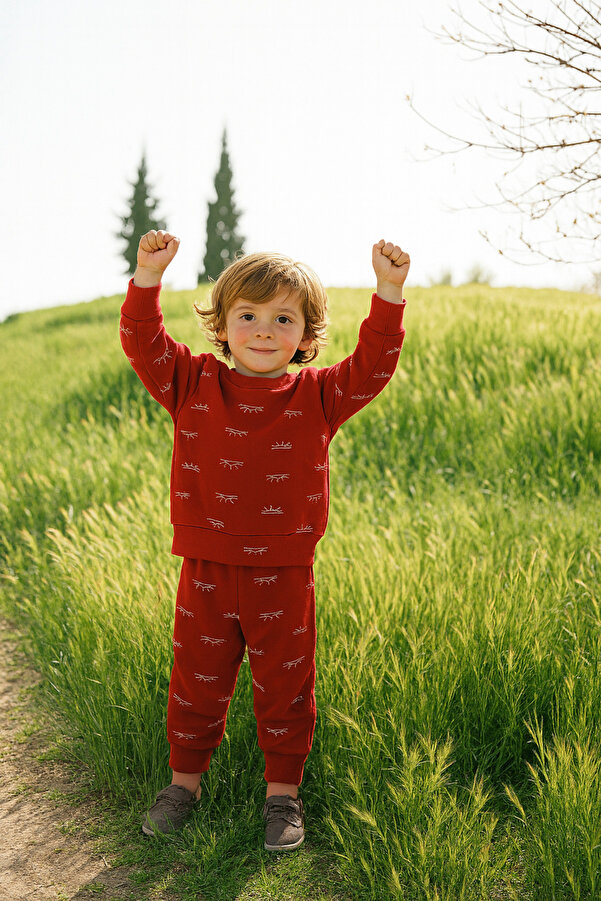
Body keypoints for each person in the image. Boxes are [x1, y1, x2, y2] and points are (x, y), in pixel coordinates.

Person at [119, 230, 410, 849]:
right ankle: (183, 784)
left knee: (286, 683)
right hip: (206, 566)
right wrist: (147, 277)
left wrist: (388, 293)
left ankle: (283, 796)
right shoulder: (192, 384)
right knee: (197, 676)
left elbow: (374, 366)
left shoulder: (320, 395)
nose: (262, 330)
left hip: (283, 570)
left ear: (305, 336)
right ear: (222, 327)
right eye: (247, 315)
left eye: (283, 319)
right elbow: (143, 344)